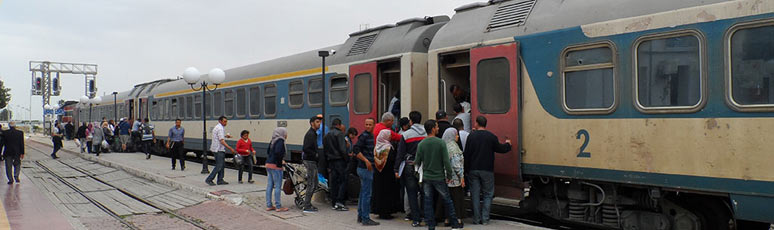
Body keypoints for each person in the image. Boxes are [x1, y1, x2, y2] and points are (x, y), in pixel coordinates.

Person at [463, 116, 512, 225]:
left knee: (475, 195)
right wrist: (508, 144)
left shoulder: (471, 136)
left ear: (476, 123)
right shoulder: (491, 137)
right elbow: (501, 149)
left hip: (473, 170)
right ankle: (485, 219)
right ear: (485, 124)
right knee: (488, 194)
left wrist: (465, 170)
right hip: (487, 170)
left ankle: (476, 219)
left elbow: (467, 154)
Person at [414, 120, 462, 230]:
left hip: (426, 177)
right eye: (436, 127)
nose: (438, 128)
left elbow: (417, 161)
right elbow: (446, 161)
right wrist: (449, 176)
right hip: (439, 176)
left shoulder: (421, 144)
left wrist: (418, 174)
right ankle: (454, 223)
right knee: (447, 200)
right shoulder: (440, 143)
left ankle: (431, 225)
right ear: (432, 129)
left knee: (428, 201)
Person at [395, 111, 426, 227]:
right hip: (424, 166)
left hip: (409, 165)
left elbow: (400, 153)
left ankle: (416, 219)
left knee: (412, 193)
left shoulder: (406, 134)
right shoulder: (427, 132)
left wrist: (396, 169)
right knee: (425, 192)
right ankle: (426, 216)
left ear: (411, 121)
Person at [371, 113, 402, 219]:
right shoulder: (385, 133)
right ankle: (386, 211)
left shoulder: (378, 146)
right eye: (392, 121)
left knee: (378, 189)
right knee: (387, 190)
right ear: (388, 121)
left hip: (378, 173)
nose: (393, 123)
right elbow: (399, 137)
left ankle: (378, 209)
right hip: (388, 175)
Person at [436, 128, 465, 226]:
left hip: (444, 178)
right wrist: (461, 177)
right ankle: (458, 219)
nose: (457, 136)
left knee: (446, 199)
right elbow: (456, 164)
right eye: (456, 134)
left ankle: (447, 219)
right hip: (454, 178)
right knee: (457, 199)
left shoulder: (443, 146)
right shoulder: (454, 147)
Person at [354, 118, 379, 226]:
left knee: (363, 192)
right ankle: (365, 218)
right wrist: (366, 161)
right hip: (365, 169)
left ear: (374, 125)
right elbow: (356, 150)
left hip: (363, 168)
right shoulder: (364, 136)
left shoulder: (369, 136)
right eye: (366, 124)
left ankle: (360, 215)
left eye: (370, 124)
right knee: (367, 194)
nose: (368, 126)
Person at [324, 118, 349, 211]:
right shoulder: (340, 134)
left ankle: (334, 202)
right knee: (342, 181)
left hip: (331, 161)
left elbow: (325, 151)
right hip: (339, 160)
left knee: (333, 182)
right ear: (339, 125)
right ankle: (340, 202)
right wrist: (347, 159)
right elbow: (343, 149)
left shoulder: (327, 135)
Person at [265, 127, 289, 212]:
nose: (286, 135)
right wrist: (280, 162)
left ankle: (269, 205)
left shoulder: (273, 140)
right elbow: (278, 152)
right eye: (285, 133)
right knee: (278, 186)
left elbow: (268, 151)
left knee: (270, 185)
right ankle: (278, 206)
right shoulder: (280, 141)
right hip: (276, 166)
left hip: (268, 164)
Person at [205, 116, 234, 186]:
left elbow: (220, 137)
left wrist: (226, 136)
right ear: (220, 121)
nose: (226, 123)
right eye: (224, 121)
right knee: (219, 165)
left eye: (226, 121)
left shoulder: (218, 127)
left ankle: (220, 179)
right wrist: (230, 148)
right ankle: (209, 179)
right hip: (218, 149)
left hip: (217, 149)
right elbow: (221, 141)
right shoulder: (220, 128)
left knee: (222, 165)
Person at [302, 116, 322, 212]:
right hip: (310, 161)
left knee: (315, 183)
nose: (319, 124)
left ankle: (307, 203)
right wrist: (316, 155)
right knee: (312, 183)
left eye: (319, 122)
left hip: (312, 161)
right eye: (317, 122)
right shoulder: (310, 134)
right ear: (312, 123)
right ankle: (307, 205)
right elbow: (306, 148)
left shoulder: (313, 133)